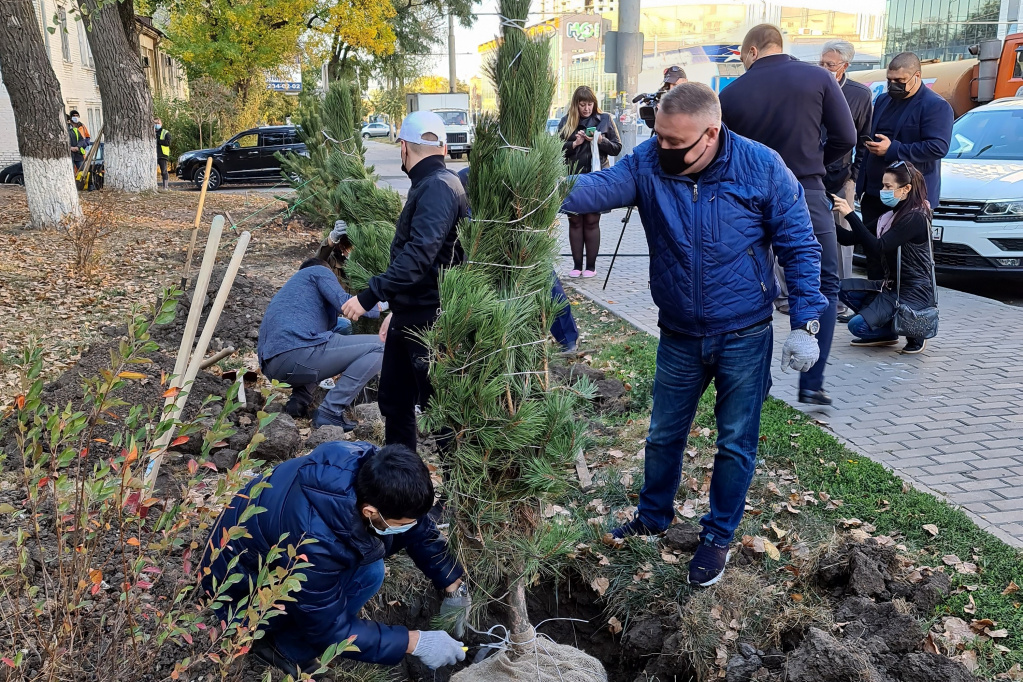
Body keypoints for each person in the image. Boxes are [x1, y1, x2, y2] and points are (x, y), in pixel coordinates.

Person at [562, 83, 828, 587]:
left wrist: (805, 323)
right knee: (663, 435)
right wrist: (525, 189)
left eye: (674, 143)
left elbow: (799, 244)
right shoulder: (649, 160)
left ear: (711, 133)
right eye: (658, 136)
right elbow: (596, 189)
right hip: (679, 332)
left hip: (744, 334)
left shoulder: (762, 167)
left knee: (735, 442)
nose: (662, 149)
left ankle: (717, 537)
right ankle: (654, 515)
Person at [199, 441, 469, 676]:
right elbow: (329, 628)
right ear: (369, 512)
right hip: (236, 589)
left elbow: (415, 523)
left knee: (369, 563)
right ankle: (283, 648)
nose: (408, 526)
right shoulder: (313, 541)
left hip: (263, 550)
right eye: (401, 522)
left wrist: (452, 583)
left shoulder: (366, 464)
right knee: (370, 574)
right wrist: (413, 642)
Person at [719, 23, 856, 407]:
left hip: (746, 195)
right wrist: (817, 167)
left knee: (745, 282)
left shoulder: (730, 94)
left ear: (750, 51)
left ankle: (751, 382)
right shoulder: (818, 78)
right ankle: (812, 381)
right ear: (780, 46)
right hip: (807, 190)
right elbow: (847, 137)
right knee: (824, 281)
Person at [341, 111, 468, 451]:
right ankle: (399, 483)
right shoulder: (437, 183)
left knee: (438, 410)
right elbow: (431, 259)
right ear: (442, 147)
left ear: (404, 149)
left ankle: (455, 495)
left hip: (429, 319)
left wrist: (370, 295)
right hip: (411, 314)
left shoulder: (438, 187)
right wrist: (395, 311)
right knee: (394, 400)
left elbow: (420, 256)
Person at [455, 165, 579, 352]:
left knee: (543, 276)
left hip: (523, 229)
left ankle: (567, 338)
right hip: (490, 235)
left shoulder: (521, 170)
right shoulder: (466, 178)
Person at [258, 258, 384, 430]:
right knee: (383, 345)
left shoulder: (293, 297)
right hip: (297, 352)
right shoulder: (318, 271)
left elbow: (340, 325)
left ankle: (299, 400)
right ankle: (330, 411)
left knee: (343, 327)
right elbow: (345, 303)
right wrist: (385, 303)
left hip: (273, 367)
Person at [833, 161, 935, 354]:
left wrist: (850, 215)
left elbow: (879, 247)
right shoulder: (890, 216)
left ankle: (913, 329)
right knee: (839, 288)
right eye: (883, 185)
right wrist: (821, 219)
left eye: (888, 186)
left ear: (906, 189)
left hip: (913, 292)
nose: (883, 190)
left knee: (857, 326)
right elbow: (848, 238)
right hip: (891, 287)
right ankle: (886, 328)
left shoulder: (916, 217)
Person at [857, 52, 953, 232]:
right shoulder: (883, 100)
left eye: (900, 80)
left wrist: (892, 149)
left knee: (901, 257)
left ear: (917, 76)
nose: (893, 85)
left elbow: (938, 147)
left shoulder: (935, 105)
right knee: (872, 253)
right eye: (890, 80)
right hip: (873, 194)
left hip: (908, 198)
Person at [819, 40, 873, 323]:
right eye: (822, 63)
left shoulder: (859, 94)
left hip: (842, 177)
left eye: (831, 64)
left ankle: (842, 298)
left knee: (843, 240)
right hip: (811, 174)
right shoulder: (811, 85)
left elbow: (865, 138)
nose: (825, 68)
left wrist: (854, 173)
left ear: (845, 66)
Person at [558, 85, 622, 278]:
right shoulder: (566, 122)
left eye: (590, 104)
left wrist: (600, 140)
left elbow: (617, 148)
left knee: (592, 221)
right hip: (573, 176)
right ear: (575, 105)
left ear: (595, 103)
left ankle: (591, 267)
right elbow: (556, 150)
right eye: (582, 104)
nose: (586, 108)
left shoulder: (604, 119)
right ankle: (577, 266)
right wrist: (574, 143)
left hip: (597, 177)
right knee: (575, 221)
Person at [155, 117, 172, 190]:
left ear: (161, 124)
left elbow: (168, 142)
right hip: (153, 155)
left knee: (164, 171)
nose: (156, 125)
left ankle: (165, 187)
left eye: (158, 123)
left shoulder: (165, 132)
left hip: (162, 155)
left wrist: (158, 141)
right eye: (155, 123)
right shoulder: (150, 132)